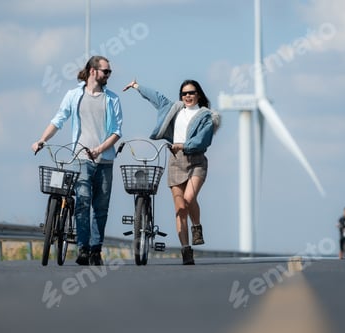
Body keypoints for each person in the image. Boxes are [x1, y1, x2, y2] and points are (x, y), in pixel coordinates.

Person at [32, 55, 123, 266]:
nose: (109, 75)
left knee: (101, 207)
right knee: (82, 202)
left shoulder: (112, 99)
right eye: (106, 71)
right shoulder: (74, 95)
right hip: (80, 158)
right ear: (93, 71)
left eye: (109, 72)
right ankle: (82, 248)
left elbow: (117, 131)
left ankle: (96, 249)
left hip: (105, 160)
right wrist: (42, 140)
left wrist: (99, 149)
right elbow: (58, 119)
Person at [123, 79, 220, 265]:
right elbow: (157, 98)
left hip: (196, 161)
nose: (188, 96)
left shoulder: (206, 116)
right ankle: (185, 249)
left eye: (191, 92)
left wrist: (184, 145)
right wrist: (137, 87)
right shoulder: (175, 109)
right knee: (180, 208)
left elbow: (203, 140)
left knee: (189, 199)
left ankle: (196, 227)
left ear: (198, 94)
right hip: (175, 162)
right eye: (184, 93)